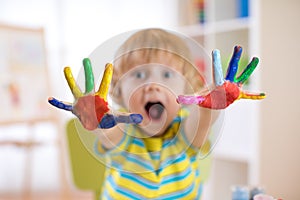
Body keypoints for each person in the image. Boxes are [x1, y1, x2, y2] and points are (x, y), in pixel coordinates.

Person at [49, 28, 265, 199]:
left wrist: (211, 104)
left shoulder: (185, 133)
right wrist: (97, 119)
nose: (152, 85)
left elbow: (202, 121)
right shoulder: (125, 131)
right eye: (140, 74)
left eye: (166, 74)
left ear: (185, 87)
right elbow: (110, 133)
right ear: (119, 91)